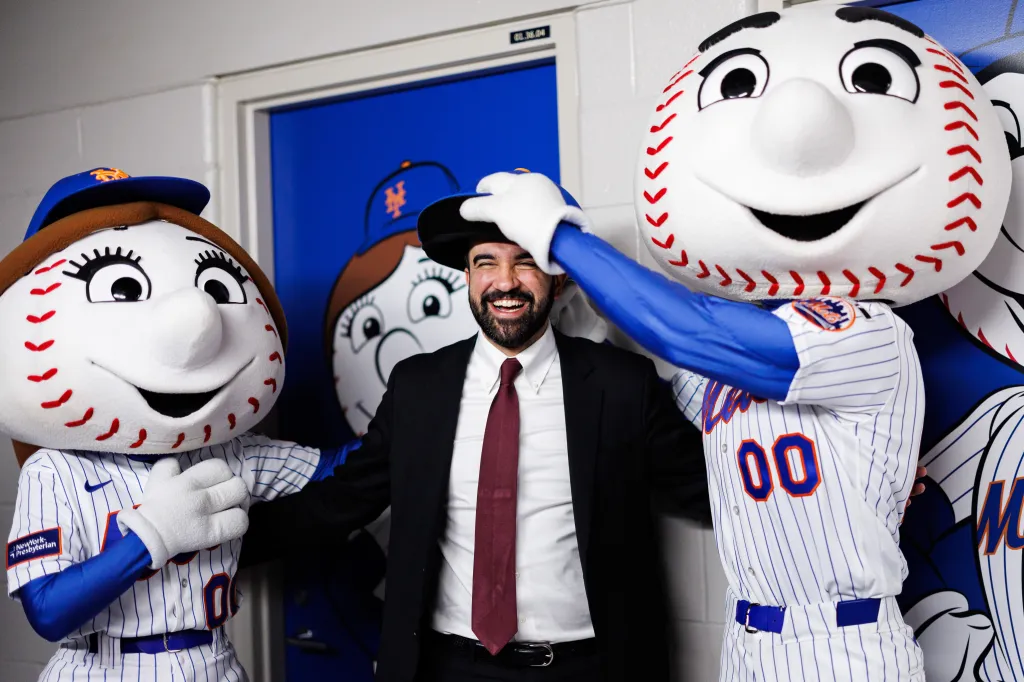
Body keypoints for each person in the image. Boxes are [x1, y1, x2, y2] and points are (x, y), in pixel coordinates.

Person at [455, 7, 1011, 682]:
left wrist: (563, 238)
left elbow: (689, 330)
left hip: (845, 644)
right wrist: (563, 290)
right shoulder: (723, 358)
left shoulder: (870, 335)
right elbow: (669, 356)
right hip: (749, 638)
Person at [238, 189, 712, 682]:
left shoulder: (622, 384)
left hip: (589, 668)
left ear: (559, 275)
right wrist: (211, 551)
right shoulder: (418, 386)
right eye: (486, 262)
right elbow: (343, 499)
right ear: (467, 276)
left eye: (525, 262)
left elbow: (709, 493)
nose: (505, 282)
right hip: (448, 667)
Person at [0, 168, 354, 680]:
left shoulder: (235, 452)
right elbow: (48, 613)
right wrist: (151, 536)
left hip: (214, 661)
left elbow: (346, 470)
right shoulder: (54, 471)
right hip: (101, 667)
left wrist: (428, 404)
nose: (195, 317)